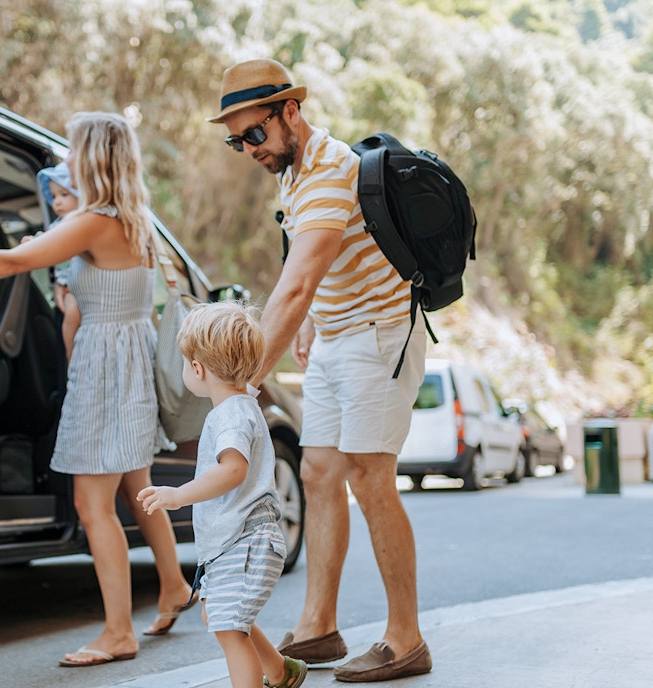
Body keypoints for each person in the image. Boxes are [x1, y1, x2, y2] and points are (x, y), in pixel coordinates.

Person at [0, 111, 195, 666]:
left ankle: (119, 632)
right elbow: (83, 297)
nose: (67, 159)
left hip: (105, 370)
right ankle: (173, 585)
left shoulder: (93, 221)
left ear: (93, 157)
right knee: (138, 488)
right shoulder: (133, 221)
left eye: (74, 149)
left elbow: (12, 260)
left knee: (91, 503)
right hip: (128, 361)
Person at [207, 58, 432, 682]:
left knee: (369, 476)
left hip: (379, 336)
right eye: (237, 140)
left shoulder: (330, 170)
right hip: (336, 338)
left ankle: (406, 638)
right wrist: (311, 323)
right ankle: (318, 627)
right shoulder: (294, 172)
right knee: (318, 472)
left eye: (255, 133)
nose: (249, 148)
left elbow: (296, 283)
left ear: (291, 112)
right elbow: (316, 267)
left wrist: (244, 381)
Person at [137, 301, 306, 688]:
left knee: (230, 627)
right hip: (235, 542)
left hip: (246, 541)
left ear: (197, 369)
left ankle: (271, 676)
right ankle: (281, 672)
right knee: (226, 618)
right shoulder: (243, 402)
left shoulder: (229, 414)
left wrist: (178, 495)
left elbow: (233, 469)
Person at [36, 161, 83, 361]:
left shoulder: (83, 223)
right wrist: (33, 242)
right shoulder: (57, 226)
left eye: (64, 195)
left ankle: (73, 355)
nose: (57, 202)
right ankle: (70, 355)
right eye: (54, 196)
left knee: (72, 313)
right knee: (70, 314)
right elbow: (46, 242)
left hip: (81, 284)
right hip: (67, 285)